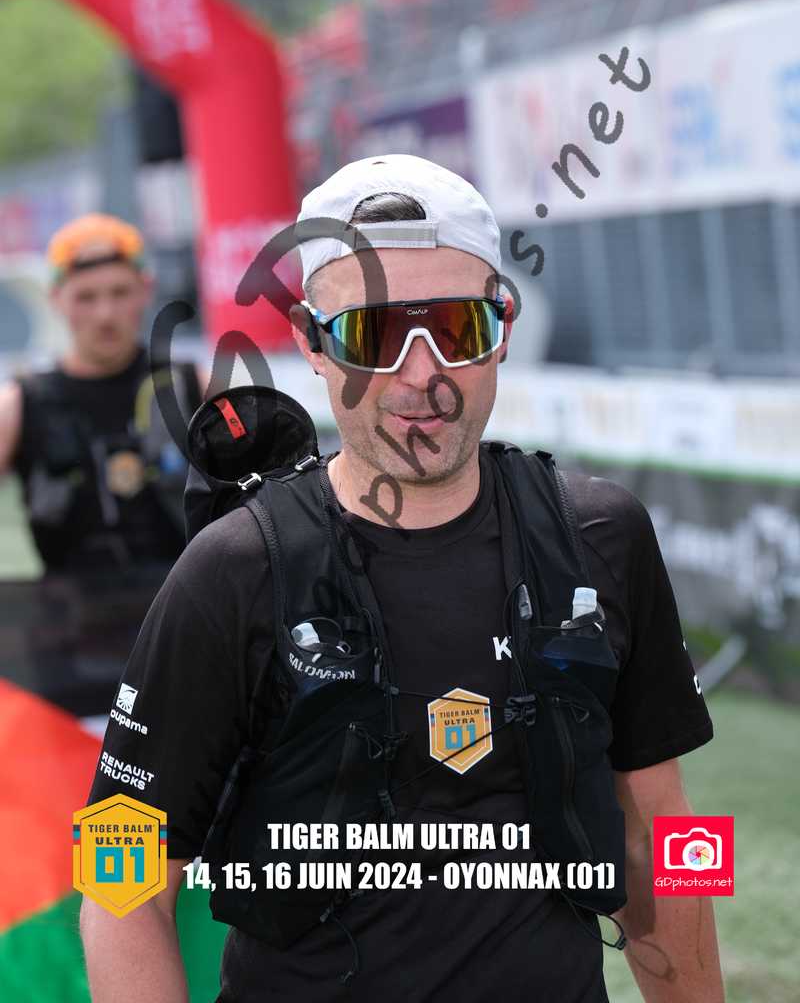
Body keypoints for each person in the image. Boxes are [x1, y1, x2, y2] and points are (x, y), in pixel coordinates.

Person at [80, 155, 724, 1002]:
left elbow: (665, 834)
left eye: (455, 329)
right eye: (373, 337)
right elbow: (118, 880)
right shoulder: (233, 571)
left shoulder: (602, 536)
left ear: (504, 324)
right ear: (311, 343)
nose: (422, 376)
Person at [0, 212, 203, 573]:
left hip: (186, 600)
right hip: (67, 604)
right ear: (56, 299)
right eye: (86, 297)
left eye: (119, 293)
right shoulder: (19, 404)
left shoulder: (193, 387)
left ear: (145, 290)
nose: (105, 314)